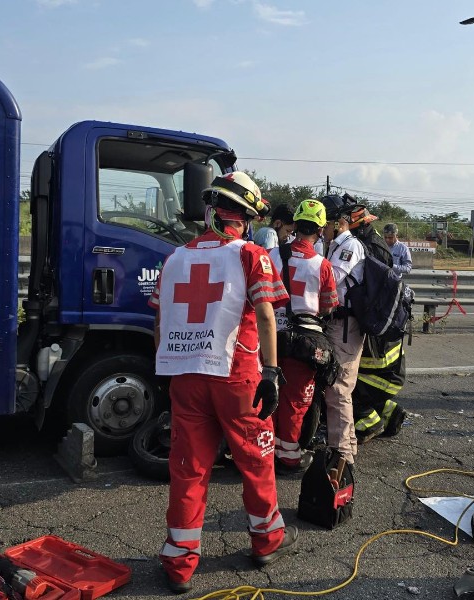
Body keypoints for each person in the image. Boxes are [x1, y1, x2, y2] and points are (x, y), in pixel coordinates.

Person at [149, 171, 298, 593]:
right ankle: (267, 539)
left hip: (186, 376)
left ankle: (179, 561)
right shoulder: (251, 255)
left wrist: (167, 370)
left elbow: (161, 320)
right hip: (237, 377)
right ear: (246, 216)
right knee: (255, 461)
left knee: (188, 468)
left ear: (211, 210)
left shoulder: (174, 257)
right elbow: (267, 315)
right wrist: (271, 372)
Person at [268, 199, 338, 474]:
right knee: (296, 399)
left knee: (267, 391)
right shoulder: (322, 265)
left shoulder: (271, 254)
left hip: (271, 335)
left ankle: (264, 448)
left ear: (295, 225)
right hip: (305, 341)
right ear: (320, 231)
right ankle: (288, 454)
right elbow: (329, 304)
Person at [349, 211, 408, 443]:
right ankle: (390, 412)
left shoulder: (367, 248)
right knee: (368, 382)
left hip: (376, 335)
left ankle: (369, 423)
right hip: (384, 334)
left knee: (355, 384)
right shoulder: (374, 242)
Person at [320, 194, 366, 466]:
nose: (320, 229)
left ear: (338, 223)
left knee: (338, 389)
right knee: (335, 387)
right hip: (335, 323)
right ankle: (345, 447)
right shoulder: (333, 245)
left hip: (346, 325)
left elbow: (331, 279)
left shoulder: (349, 247)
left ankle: (342, 456)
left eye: (323, 224)